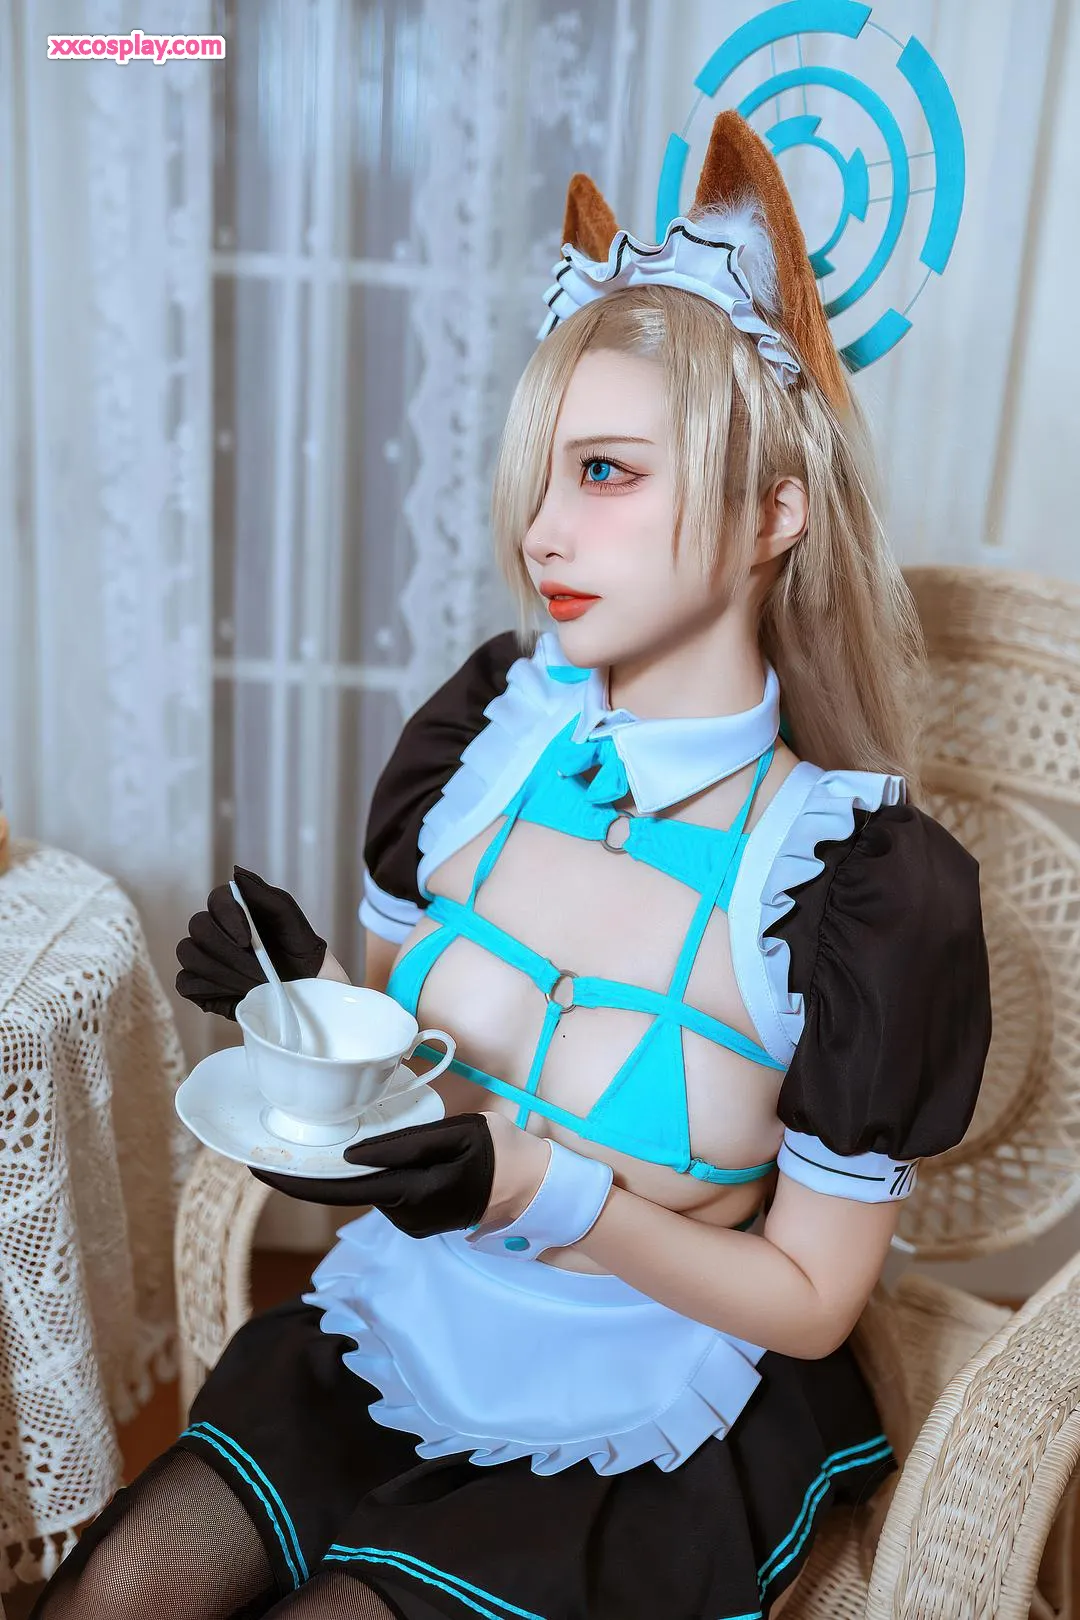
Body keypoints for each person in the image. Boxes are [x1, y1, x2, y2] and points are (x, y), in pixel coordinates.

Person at [32, 111, 991, 1620]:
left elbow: (812, 1306)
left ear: (773, 512)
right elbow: (428, 1088)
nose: (542, 531)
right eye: (540, 476)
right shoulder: (489, 732)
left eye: (605, 472)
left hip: (653, 1409)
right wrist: (304, 1000)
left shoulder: (858, 887)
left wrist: (550, 1194)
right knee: (121, 1591)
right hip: (405, 1320)